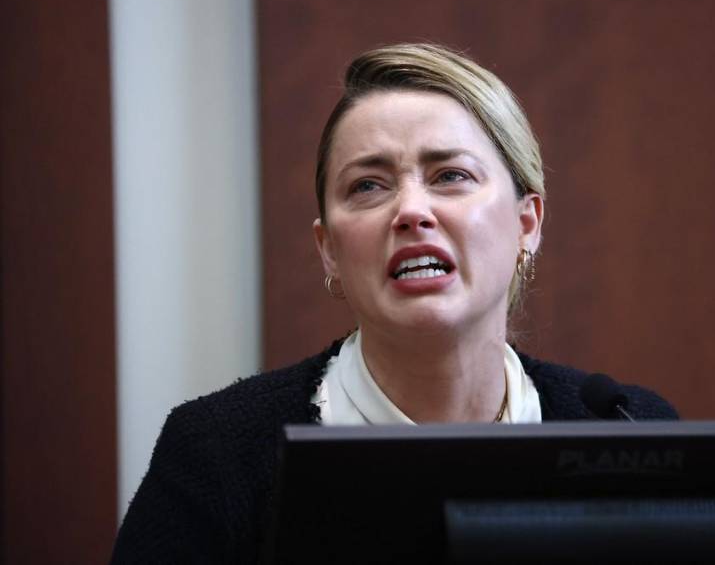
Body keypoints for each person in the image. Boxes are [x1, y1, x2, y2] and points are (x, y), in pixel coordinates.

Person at [110, 43, 677, 564]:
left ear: (526, 224)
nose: (411, 211)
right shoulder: (219, 451)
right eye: (368, 186)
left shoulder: (632, 432)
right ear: (329, 249)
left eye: (450, 175)